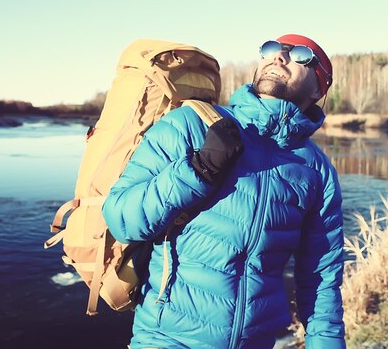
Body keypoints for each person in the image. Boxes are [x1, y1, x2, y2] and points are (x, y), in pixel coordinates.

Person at [102, 34, 345, 349]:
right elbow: (122, 219)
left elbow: (321, 280)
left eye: (300, 55)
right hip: (166, 340)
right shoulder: (191, 124)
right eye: (271, 49)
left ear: (318, 88)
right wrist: (198, 169)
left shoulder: (317, 171)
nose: (279, 57)